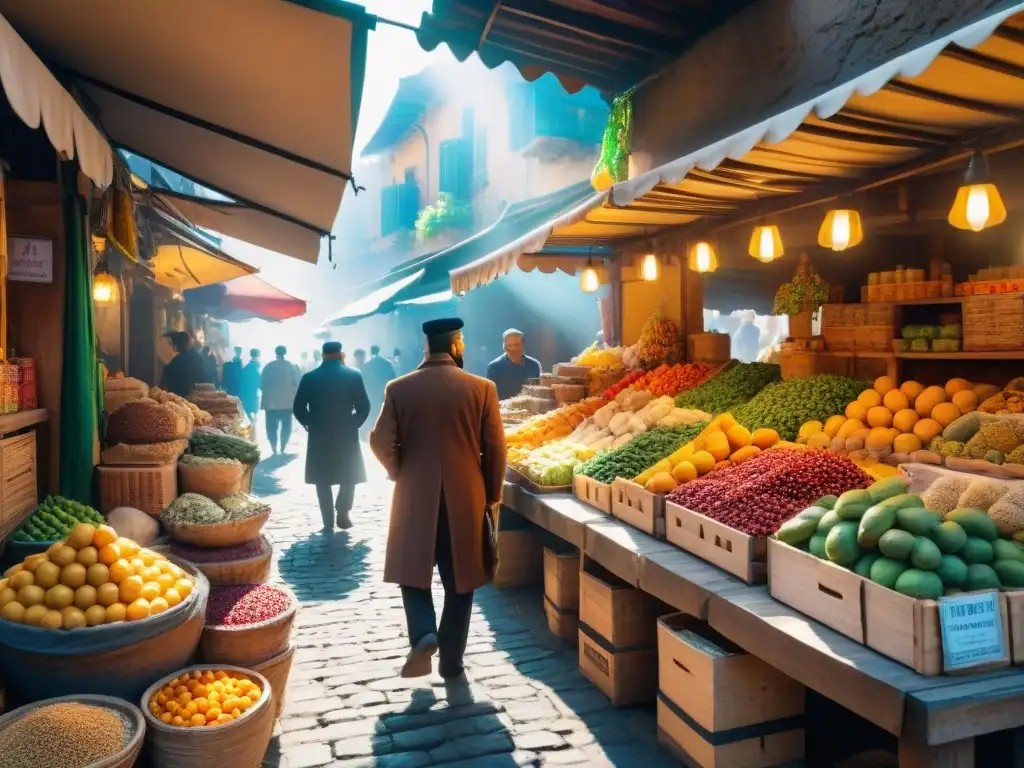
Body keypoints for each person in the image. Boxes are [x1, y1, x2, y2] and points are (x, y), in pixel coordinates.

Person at [370, 318, 506, 680]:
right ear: (457, 346)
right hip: (467, 496)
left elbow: (379, 441)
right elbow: (495, 450)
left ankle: (424, 633)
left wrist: (399, 469)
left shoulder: (399, 388)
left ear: (426, 346)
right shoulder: (482, 388)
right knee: (461, 580)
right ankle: (451, 663)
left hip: (414, 493)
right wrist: (491, 495)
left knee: (411, 574)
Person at [293, 341, 370, 532]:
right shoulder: (354, 375)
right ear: (340, 354)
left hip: (320, 432)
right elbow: (364, 406)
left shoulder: (309, 377)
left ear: (323, 355)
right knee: (348, 473)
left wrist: (310, 423)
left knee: (322, 477)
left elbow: (298, 408)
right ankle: (343, 513)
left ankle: (327, 521)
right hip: (346, 430)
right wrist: (354, 422)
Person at [261, 345, 302, 455]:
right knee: (286, 425)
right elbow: (298, 383)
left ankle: (273, 446)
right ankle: (283, 445)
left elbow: (261, 384)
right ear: (285, 352)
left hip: (270, 402)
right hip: (287, 402)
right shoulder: (292, 366)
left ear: (275, 352)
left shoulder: (268, 366)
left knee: (270, 425)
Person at [485, 328, 541, 401]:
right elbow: (489, 396)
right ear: (504, 346)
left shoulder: (534, 365)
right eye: (509, 345)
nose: (513, 349)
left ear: (523, 345)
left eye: (516, 345)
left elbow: (539, 393)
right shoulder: (494, 367)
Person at [360, 345, 396, 437]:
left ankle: (371, 437)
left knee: (372, 416)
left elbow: (363, 380)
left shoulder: (366, 365)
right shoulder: (386, 364)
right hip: (383, 394)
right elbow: (392, 378)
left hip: (371, 394)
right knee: (382, 416)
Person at [160, 332, 208, 397]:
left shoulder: (175, 362)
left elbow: (163, 385)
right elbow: (204, 379)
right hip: (197, 399)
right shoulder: (198, 358)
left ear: (176, 345)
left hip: (177, 400)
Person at [240, 349, 262, 424]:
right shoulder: (257, 366)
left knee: (247, 407)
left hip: (247, 390)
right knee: (254, 406)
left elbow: (242, 379)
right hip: (254, 390)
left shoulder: (247, 367)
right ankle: (254, 420)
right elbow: (259, 379)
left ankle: (252, 420)